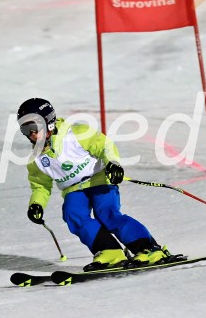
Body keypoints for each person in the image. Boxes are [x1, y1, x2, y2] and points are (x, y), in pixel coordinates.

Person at [17, 97, 170, 271]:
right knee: (73, 214)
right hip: (72, 189)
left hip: (98, 179)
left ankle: (148, 248)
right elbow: (41, 186)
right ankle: (110, 252)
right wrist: (36, 204)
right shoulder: (36, 159)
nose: (32, 134)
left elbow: (104, 146)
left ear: (49, 123)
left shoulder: (77, 133)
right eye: (25, 130)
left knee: (107, 213)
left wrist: (113, 163)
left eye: (34, 128)